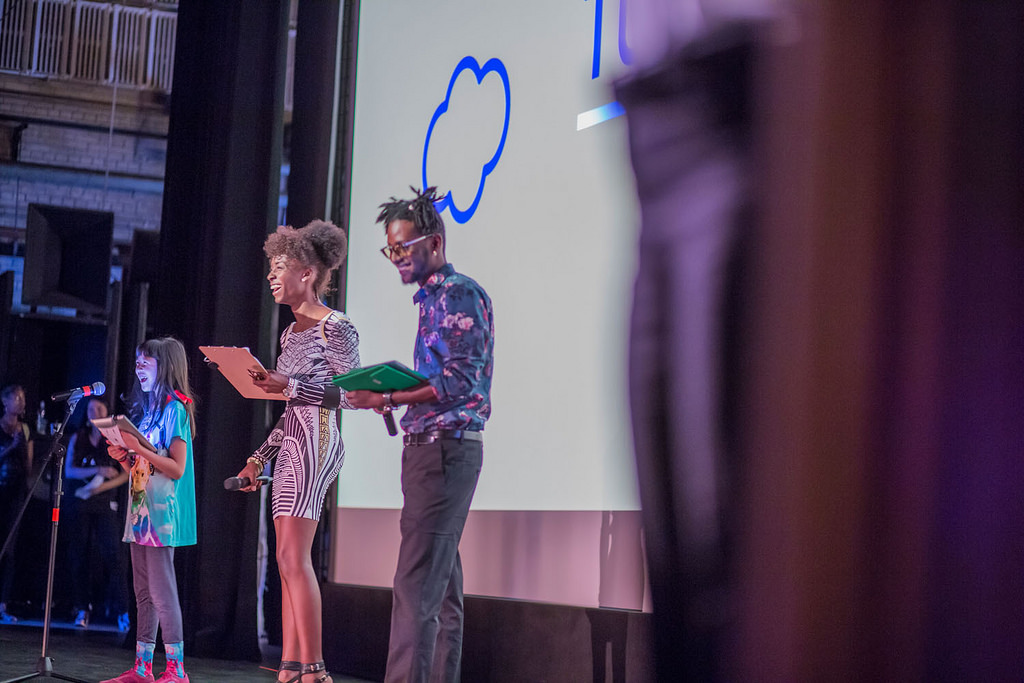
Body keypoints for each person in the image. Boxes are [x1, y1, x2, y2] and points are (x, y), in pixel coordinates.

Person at [347, 186, 494, 683]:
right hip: (429, 456)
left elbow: (457, 382)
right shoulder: (431, 300)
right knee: (440, 595)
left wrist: (386, 398)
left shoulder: (460, 294)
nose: (395, 259)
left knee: (414, 590)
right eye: (389, 250)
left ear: (434, 244)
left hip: (446, 455)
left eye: (401, 248)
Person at [235, 219, 360, 683]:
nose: (271, 276)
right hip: (291, 441)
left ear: (306, 273)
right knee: (286, 561)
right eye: (270, 267)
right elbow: (287, 406)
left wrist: (290, 383)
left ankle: (315, 668)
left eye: (279, 267)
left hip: (319, 439)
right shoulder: (290, 335)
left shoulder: (337, 327)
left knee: (294, 558)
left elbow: (352, 395)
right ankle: (291, 665)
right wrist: (258, 458)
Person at [103, 337, 197, 683]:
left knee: (162, 591)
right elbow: (145, 467)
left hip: (161, 513)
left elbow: (176, 468)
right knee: (143, 592)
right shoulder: (151, 410)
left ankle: (176, 669)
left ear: (165, 366)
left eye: (146, 362)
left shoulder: (175, 409)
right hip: (140, 510)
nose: (139, 368)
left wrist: (138, 449)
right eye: (137, 362)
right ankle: (143, 667)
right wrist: (126, 456)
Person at [64, 397, 129, 630]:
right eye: (91, 409)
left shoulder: (112, 439)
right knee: (78, 555)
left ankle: (123, 611)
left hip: (104, 502)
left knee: (114, 556)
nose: (95, 412)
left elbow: (126, 473)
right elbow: (69, 470)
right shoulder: (78, 437)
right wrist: (98, 470)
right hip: (80, 500)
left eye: (100, 408)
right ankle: (82, 607)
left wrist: (102, 486)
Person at [0, 384, 33, 624]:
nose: (21, 403)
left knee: (9, 548)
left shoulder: (25, 430)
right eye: (16, 398)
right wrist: (9, 448)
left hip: (16, 492)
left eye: (23, 398)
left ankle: (3, 604)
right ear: (5, 401)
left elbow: (29, 466)